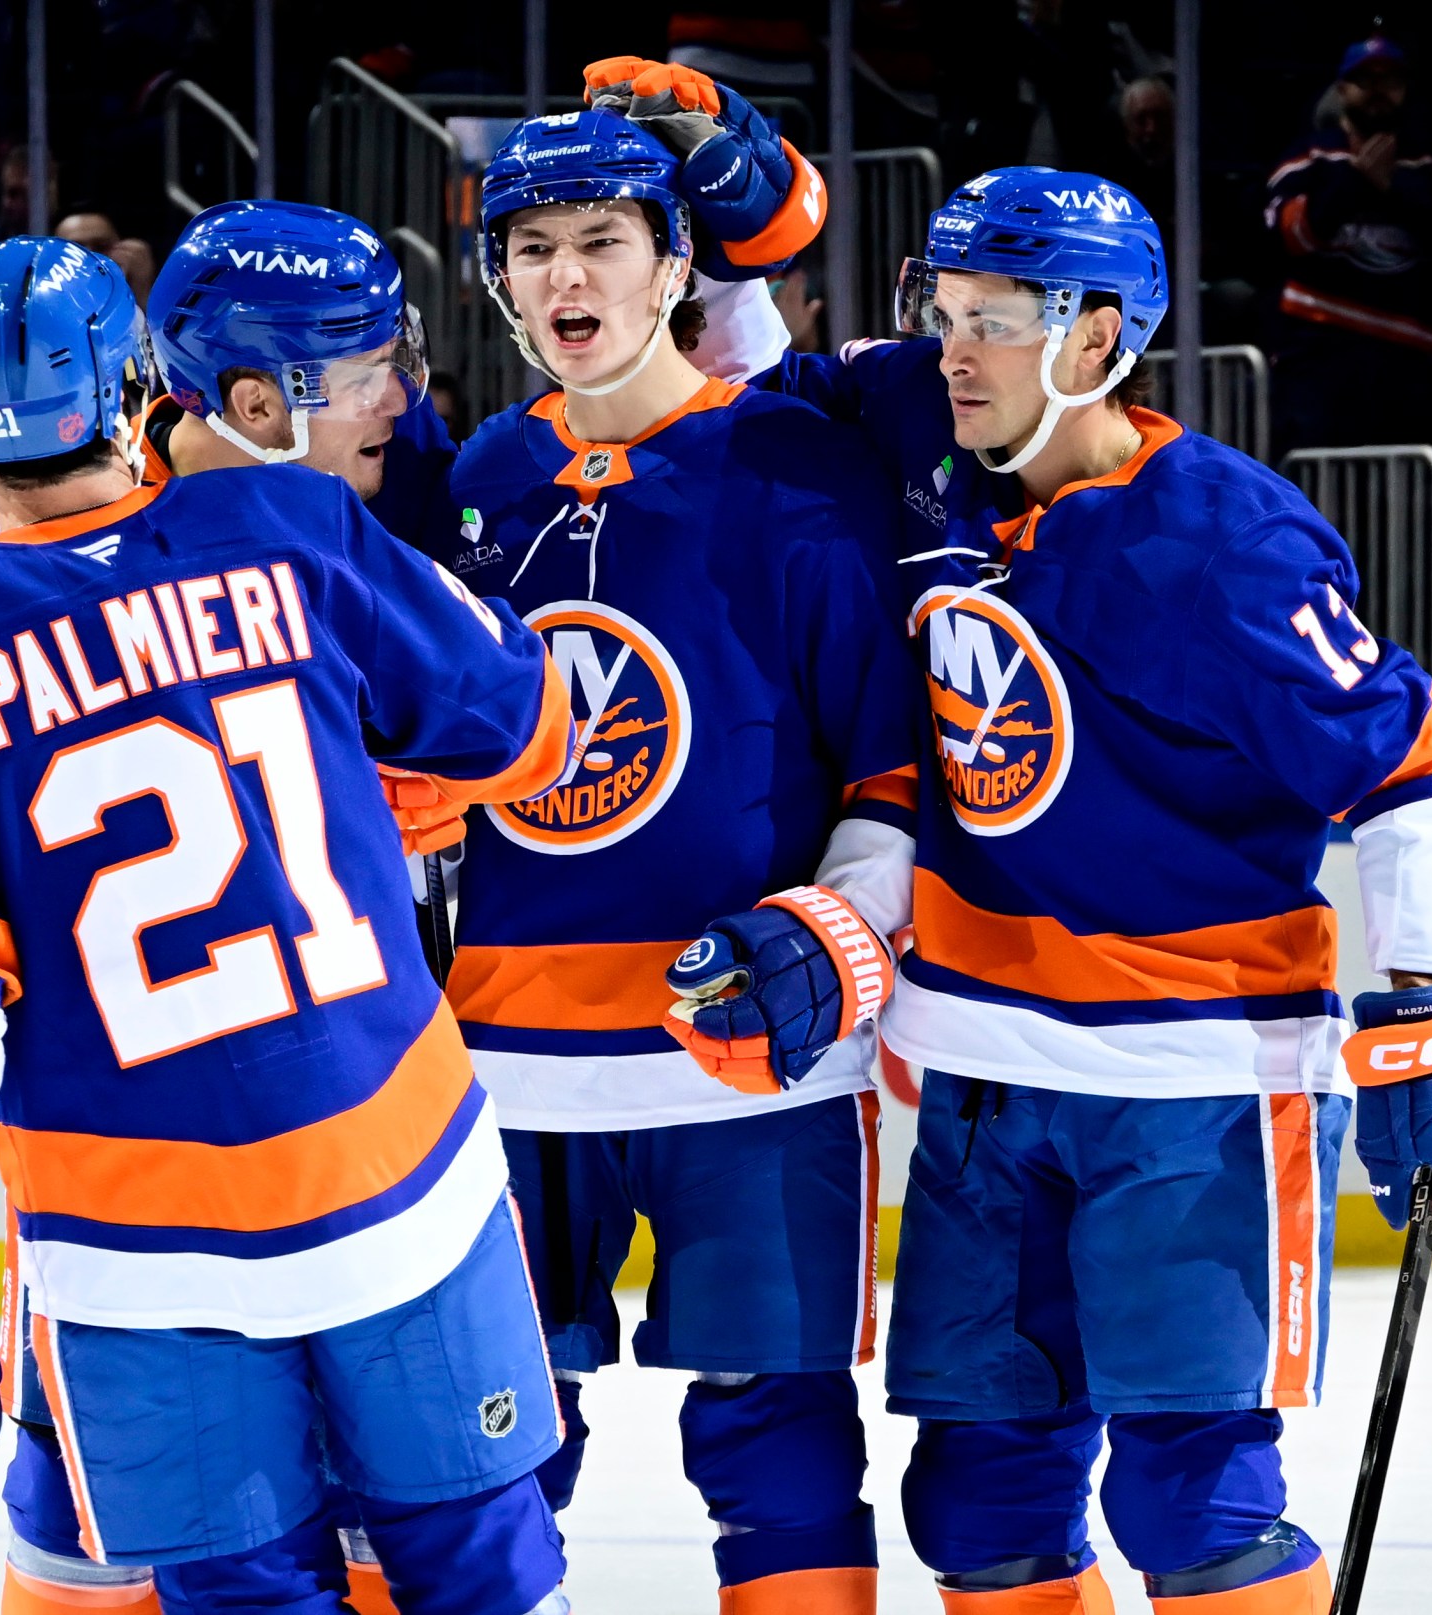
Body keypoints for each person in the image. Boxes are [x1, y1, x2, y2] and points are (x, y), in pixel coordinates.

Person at [0, 234, 578, 1615]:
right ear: (134, 388)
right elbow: (523, 724)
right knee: (486, 1576)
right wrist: (376, 774)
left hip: (135, 1238)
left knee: (242, 1599)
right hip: (392, 1168)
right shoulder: (290, 522)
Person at [819, 168, 1432, 1612]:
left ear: (1095, 341)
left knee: (1188, 1493)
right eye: (941, 313)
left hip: (1194, 1082)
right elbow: (743, 397)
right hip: (982, 1076)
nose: (954, 349)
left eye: (995, 320)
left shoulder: (1219, 543)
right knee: (979, 1496)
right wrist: (754, 223)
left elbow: (1421, 775)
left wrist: (1431, 1011)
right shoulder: (937, 448)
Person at [436, 88, 916, 1613]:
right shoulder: (477, 484)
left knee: (776, 1447)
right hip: (503, 1067)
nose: (566, 280)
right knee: (481, 1452)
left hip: (750, 1060)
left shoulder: (794, 462)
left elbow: (894, 763)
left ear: (672, 265)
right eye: (533, 249)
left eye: (601, 242)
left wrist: (847, 933)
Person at [1264, 35, 1432, 453]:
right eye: (1366, 79)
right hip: (1321, 354)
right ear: (1342, 90)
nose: (1378, 89)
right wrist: (1355, 181)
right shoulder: (1309, 157)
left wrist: (1393, 190)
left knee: (1404, 502)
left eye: (1390, 79)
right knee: (1321, 494)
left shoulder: (1431, 165)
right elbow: (1292, 233)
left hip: (1409, 362)